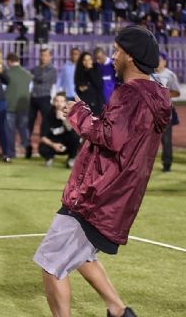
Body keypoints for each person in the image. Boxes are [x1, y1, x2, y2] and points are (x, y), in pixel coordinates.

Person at [33, 25, 171, 317]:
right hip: (114, 195)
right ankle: (119, 310)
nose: (113, 56)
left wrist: (79, 112)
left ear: (131, 57)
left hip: (97, 194)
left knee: (51, 262)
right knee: (82, 254)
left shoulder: (132, 95)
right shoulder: (154, 94)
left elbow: (111, 137)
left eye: (118, 51)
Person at [27, 48, 57, 158]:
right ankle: (27, 147)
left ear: (50, 57)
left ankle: (44, 146)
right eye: (42, 55)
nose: (43, 57)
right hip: (33, 98)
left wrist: (33, 77)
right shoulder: (36, 68)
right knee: (29, 123)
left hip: (45, 98)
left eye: (45, 55)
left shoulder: (52, 69)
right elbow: (30, 78)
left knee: (45, 123)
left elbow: (42, 79)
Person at [153, 52, 181, 172]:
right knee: (146, 140)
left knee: (166, 140)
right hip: (151, 112)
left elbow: (177, 92)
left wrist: (163, 93)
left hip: (165, 112)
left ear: (165, 61)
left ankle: (167, 164)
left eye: (160, 60)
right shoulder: (149, 74)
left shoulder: (170, 75)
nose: (158, 62)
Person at [38, 92, 80, 168]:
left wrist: (63, 119)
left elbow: (74, 131)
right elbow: (43, 137)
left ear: (65, 103)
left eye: (61, 101)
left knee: (76, 137)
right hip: (54, 142)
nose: (59, 103)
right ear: (54, 102)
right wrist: (54, 145)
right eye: (57, 101)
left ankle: (71, 159)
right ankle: (49, 159)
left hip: (66, 144)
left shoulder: (70, 112)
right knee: (42, 147)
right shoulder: (48, 114)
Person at [5, 52, 33, 159]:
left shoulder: (7, 73)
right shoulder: (28, 74)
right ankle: (27, 146)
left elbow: (3, 89)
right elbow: (30, 90)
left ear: (9, 61)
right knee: (23, 129)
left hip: (10, 106)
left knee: (10, 131)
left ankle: (11, 153)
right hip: (24, 106)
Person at [74, 51, 105, 116]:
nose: (87, 62)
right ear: (82, 62)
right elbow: (77, 87)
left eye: (89, 59)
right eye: (85, 60)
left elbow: (99, 85)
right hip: (85, 104)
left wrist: (90, 70)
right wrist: (80, 89)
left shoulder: (96, 69)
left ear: (92, 60)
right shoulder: (79, 72)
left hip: (97, 104)